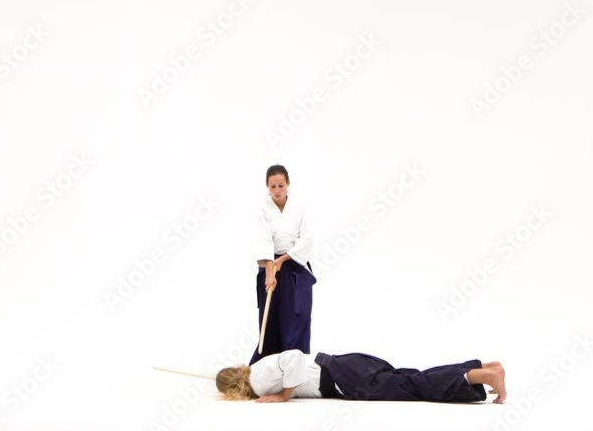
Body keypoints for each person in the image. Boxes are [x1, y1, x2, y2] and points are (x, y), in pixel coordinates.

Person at [217, 349, 507, 404]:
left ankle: (482, 376)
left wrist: (284, 395)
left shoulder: (257, 381)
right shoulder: (257, 368)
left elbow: (293, 356)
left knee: (414, 386)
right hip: (349, 365)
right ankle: (484, 367)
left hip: (346, 379)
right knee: (412, 379)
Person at [251, 165, 316, 365]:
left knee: (297, 316)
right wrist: (270, 270)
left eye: (281, 186)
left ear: (288, 184)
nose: (277, 191)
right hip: (270, 267)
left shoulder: (300, 207)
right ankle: (268, 369)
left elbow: (307, 239)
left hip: (294, 266)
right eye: (273, 187)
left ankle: (294, 368)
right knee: (270, 320)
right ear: (267, 186)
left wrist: (281, 261)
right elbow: (262, 239)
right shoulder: (262, 208)